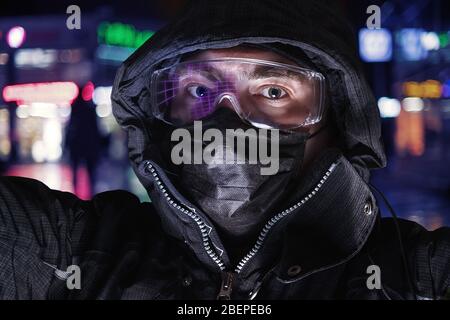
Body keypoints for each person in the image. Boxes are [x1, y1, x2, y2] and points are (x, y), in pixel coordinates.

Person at [0, 0, 449, 300]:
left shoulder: (408, 275)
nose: (228, 121)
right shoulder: (76, 250)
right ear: (158, 119)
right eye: (198, 89)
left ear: (338, 123)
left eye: (274, 92)